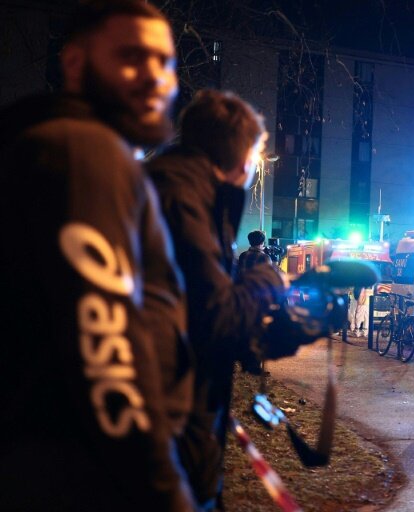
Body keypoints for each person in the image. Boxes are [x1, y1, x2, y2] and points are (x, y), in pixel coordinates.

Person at [0, 1, 195, 510]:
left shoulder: (54, 144)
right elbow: (107, 354)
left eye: (164, 62)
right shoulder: (84, 152)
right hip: (82, 481)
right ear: (75, 63)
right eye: (132, 56)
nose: (155, 77)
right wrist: (164, 494)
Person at [147, 89, 326, 510]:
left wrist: (282, 335)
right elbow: (215, 318)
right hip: (164, 449)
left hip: (184, 440)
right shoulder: (180, 201)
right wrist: (267, 277)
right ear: (244, 158)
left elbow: (193, 328)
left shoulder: (182, 195)